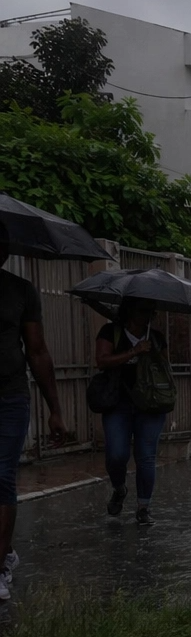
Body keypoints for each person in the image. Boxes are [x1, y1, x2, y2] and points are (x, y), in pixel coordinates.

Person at [0, 256, 68, 601]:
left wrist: (55, 409)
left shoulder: (20, 291)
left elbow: (37, 351)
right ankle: (6, 550)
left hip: (8, 397)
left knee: (1, 476)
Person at [95, 298, 170, 526]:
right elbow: (102, 361)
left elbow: (165, 370)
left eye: (151, 310)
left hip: (150, 405)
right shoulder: (110, 332)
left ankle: (143, 507)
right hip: (118, 403)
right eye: (143, 309)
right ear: (130, 311)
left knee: (146, 456)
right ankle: (119, 488)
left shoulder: (156, 338)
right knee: (116, 454)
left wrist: (151, 355)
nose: (148, 314)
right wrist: (134, 351)